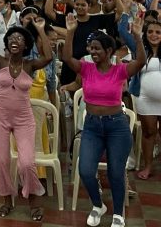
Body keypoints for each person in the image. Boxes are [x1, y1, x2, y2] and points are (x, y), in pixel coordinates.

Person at [63, 14, 145, 227]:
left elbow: (141, 61)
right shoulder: (86, 68)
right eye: (91, 48)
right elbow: (66, 58)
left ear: (109, 51)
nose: (93, 51)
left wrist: (137, 37)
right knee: (86, 170)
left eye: (97, 48)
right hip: (92, 126)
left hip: (117, 126)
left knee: (116, 172)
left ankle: (118, 213)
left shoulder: (119, 71)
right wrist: (71, 32)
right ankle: (99, 205)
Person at [0, 15, 53, 222]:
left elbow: (49, 56)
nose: (14, 41)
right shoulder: (0, 61)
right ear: (7, 44)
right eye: (11, 38)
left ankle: (34, 200)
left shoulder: (30, 65)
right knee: (2, 161)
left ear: (25, 45)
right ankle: (7, 201)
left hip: (24, 119)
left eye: (19, 38)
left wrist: (41, 29)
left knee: (27, 162)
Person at [133, 19, 161, 180]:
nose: (154, 35)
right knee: (149, 132)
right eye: (150, 31)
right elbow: (123, 31)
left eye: (158, 32)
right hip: (145, 99)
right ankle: (148, 166)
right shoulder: (139, 49)